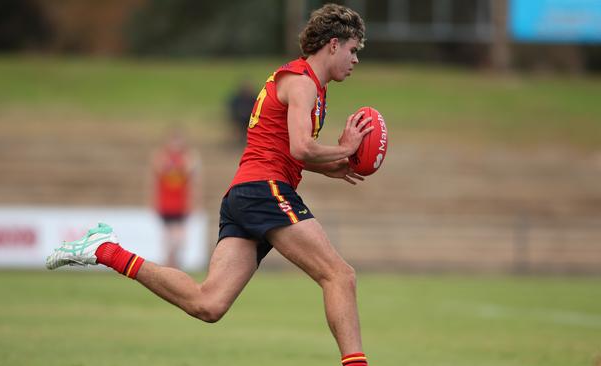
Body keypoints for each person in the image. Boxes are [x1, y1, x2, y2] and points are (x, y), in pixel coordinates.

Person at [46, 4, 372, 365]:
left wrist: (336, 165)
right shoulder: (303, 83)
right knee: (340, 276)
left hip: (245, 193)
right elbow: (301, 147)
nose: (355, 59)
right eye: (353, 49)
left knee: (208, 304)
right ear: (332, 44)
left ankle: (105, 250)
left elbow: (293, 153)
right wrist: (343, 149)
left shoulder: (308, 86)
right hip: (265, 189)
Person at [151, 130, 201, 269]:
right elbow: (156, 177)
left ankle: (173, 261)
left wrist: (194, 202)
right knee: (168, 236)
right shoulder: (161, 157)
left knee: (179, 237)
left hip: (181, 204)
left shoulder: (188, 158)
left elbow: (193, 181)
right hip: (166, 203)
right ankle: (169, 262)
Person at [227, 79, 257, 146]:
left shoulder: (255, 99)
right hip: (239, 121)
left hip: (251, 121)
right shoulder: (236, 100)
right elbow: (232, 112)